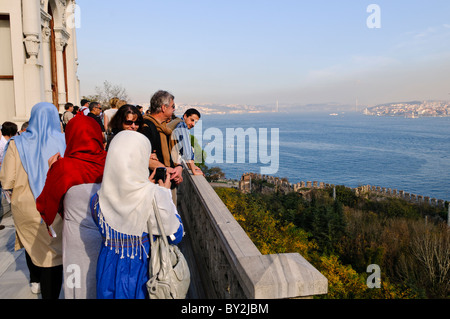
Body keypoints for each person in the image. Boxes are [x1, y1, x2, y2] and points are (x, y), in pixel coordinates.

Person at [90, 130, 184, 299]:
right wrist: (164, 194)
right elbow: (175, 234)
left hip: (107, 270)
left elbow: (116, 221)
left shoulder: (97, 199)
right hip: (141, 274)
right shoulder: (154, 196)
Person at [0, 102, 66, 299]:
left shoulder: (16, 143)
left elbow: (7, 180)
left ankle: (35, 280)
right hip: (57, 204)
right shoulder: (65, 141)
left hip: (26, 205)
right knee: (53, 254)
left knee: (32, 244)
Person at [36, 115, 107, 299]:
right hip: (109, 235)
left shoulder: (63, 167)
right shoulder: (110, 162)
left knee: (78, 281)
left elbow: (45, 203)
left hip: (77, 237)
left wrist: (52, 169)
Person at [141, 90, 183, 204]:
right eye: (172, 106)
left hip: (168, 181)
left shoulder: (165, 129)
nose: (174, 109)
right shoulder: (146, 128)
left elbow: (172, 154)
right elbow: (144, 159)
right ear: (164, 107)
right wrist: (169, 170)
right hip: (155, 186)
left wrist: (178, 168)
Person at [172, 109, 203, 176]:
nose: (193, 124)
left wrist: (191, 166)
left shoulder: (177, 122)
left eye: (195, 122)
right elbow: (187, 151)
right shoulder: (182, 126)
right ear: (185, 116)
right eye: (192, 120)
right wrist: (193, 171)